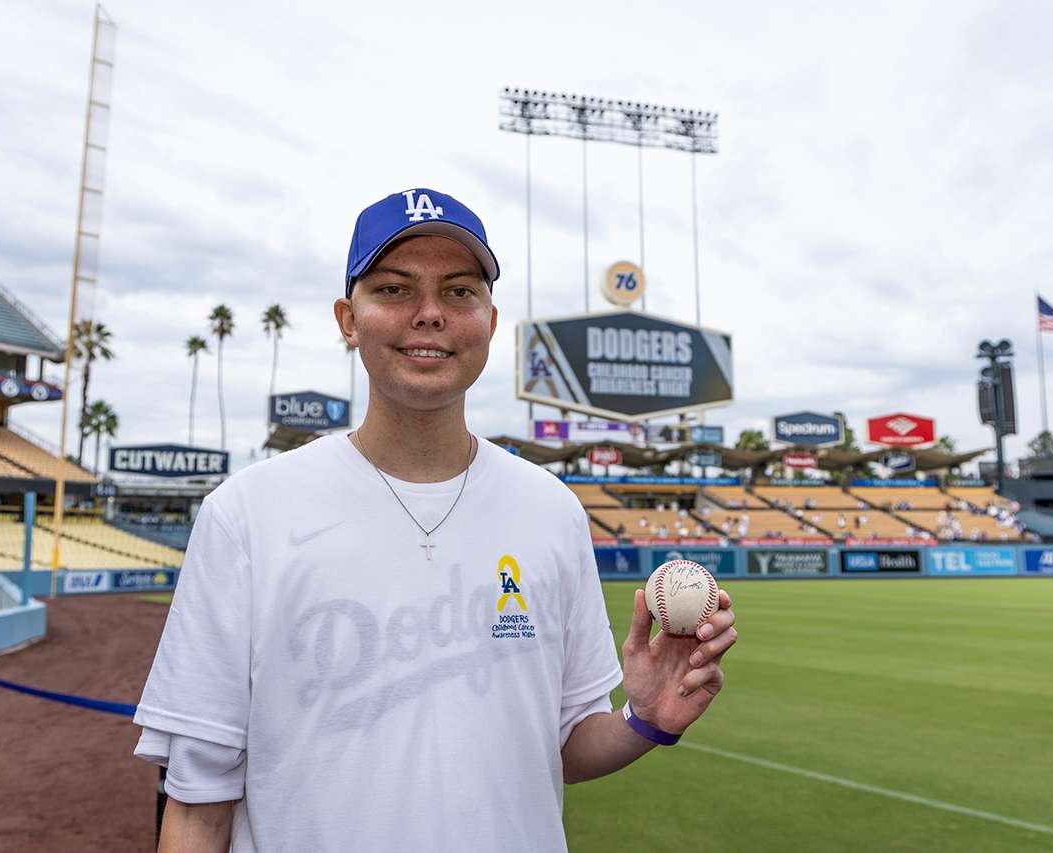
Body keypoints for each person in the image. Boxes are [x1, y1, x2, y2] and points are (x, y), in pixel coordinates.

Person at [132, 188, 738, 852]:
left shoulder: (551, 510)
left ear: (489, 317)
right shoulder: (246, 514)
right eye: (394, 289)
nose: (429, 315)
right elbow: (197, 807)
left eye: (458, 292)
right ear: (347, 318)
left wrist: (645, 717)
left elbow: (559, 747)